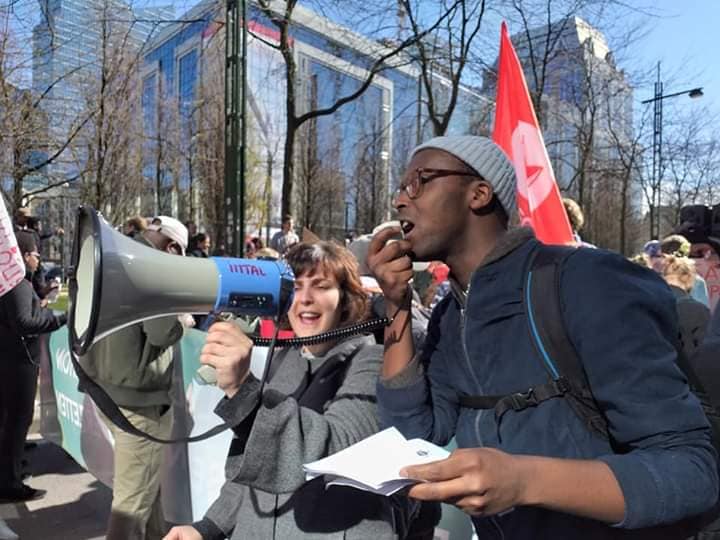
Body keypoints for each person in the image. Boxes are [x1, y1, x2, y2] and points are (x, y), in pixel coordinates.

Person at [367, 135, 718, 539]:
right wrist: (396, 304)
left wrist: (522, 480)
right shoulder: (451, 315)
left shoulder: (586, 281)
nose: (400, 201)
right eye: (401, 185)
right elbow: (414, 434)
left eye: (420, 180)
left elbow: (690, 472)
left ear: (479, 194)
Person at [164, 241, 426, 540]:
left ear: (345, 299)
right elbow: (252, 466)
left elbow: (334, 447)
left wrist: (244, 392)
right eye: (296, 286)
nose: (305, 299)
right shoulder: (283, 359)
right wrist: (208, 528)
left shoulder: (373, 361)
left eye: (321, 285)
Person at [80, 216, 189, 539]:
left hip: (106, 391)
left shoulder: (111, 258)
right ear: (171, 247)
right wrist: (183, 319)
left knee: (144, 490)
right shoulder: (155, 269)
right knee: (129, 508)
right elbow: (161, 333)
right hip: (140, 405)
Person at [0, 232, 66, 502]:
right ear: (24, 255)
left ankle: (10, 471)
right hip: (18, 364)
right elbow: (24, 322)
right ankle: (9, 482)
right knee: (17, 421)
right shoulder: (16, 284)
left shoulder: (16, 283)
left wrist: (42, 303)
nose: (39, 258)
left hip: (13, 360)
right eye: (36, 253)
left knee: (10, 421)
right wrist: (60, 319)